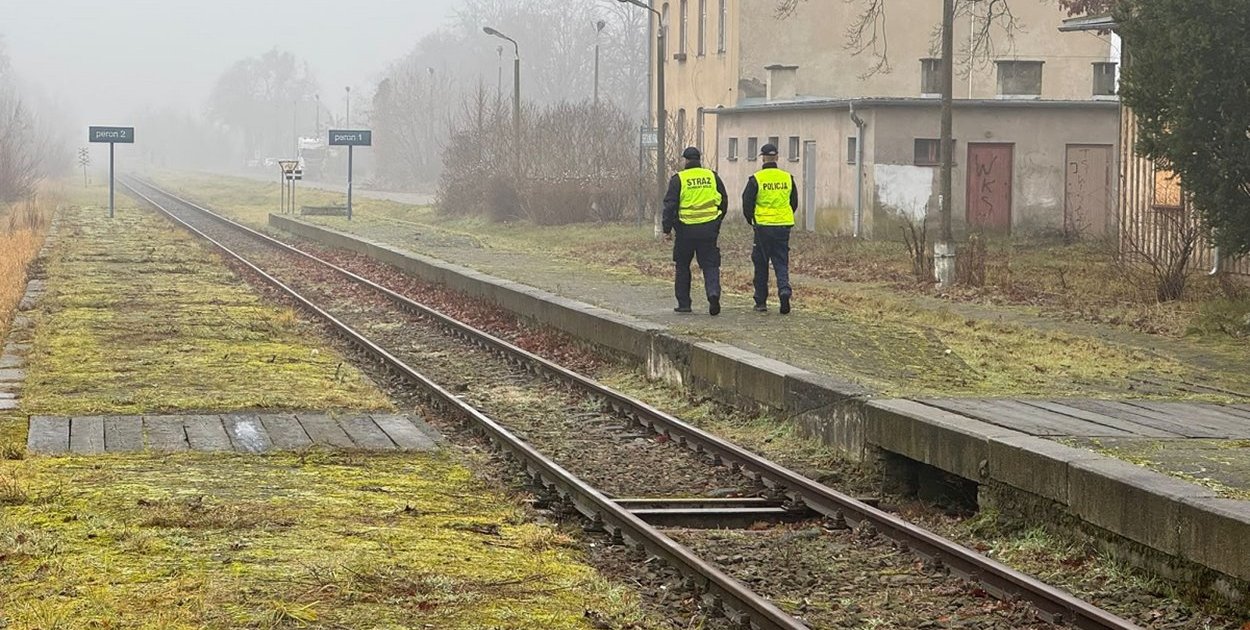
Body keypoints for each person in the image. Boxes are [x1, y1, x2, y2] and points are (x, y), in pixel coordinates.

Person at [663, 146, 729, 315]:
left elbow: (670, 205)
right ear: (699, 159)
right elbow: (723, 200)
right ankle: (713, 293)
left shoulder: (679, 179)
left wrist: (667, 229)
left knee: (682, 266)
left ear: (685, 160)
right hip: (709, 229)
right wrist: (716, 221)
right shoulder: (712, 176)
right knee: (710, 264)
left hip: (685, 230)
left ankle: (684, 303)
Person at [742, 143, 798, 314]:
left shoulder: (756, 179)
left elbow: (747, 202)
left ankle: (761, 301)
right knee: (781, 261)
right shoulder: (787, 178)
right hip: (783, 226)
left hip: (762, 227)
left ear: (763, 158)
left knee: (761, 263)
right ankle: (784, 290)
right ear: (777, 157)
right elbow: (794, 202)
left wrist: (751, 219)